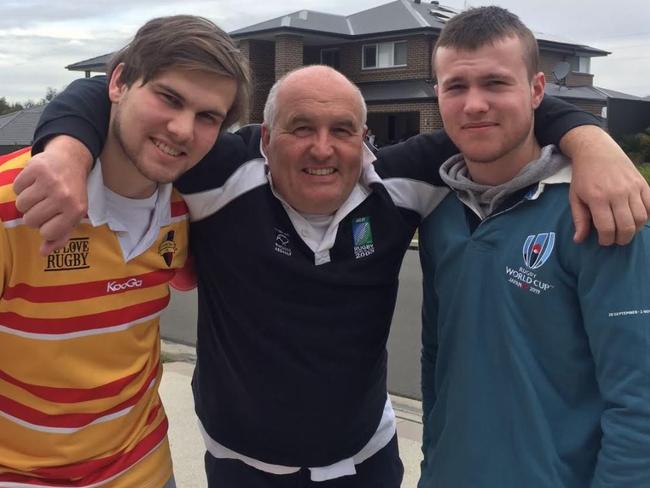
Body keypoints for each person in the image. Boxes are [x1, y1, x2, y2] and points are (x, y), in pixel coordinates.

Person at [13, 65, 650, 487]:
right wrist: (66, 149)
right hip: (240, 466)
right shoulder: (218, 173)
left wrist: (594, 143)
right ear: (263, 138)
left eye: (342, 130)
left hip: (367, 464)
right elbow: (112, 94)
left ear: (366, 139)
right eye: (300, 129)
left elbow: (504, 113)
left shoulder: (403, 181)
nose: (323, 148)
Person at [0, 15, 249, 488]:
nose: (181, 129)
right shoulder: (14, 203)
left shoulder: (189, 207)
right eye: (169, 98)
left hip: (145, 467)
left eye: (207, 117)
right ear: (117, 83)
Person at [418, 7, 650, 487]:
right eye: (456, 87)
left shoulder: (597, 209)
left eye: (496, 83)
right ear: (438, 95)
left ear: (537, 91)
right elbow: (436, 361)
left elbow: (639, 399)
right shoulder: (439, 215)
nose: (475, 104)